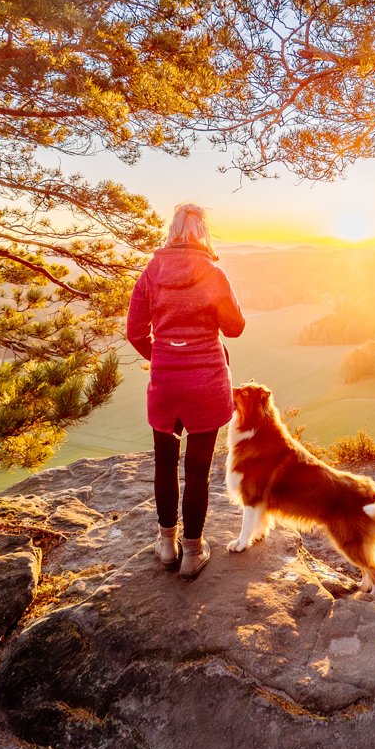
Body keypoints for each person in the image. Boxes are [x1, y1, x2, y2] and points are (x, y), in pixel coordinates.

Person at [126, 203, 246, 579]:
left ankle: (166, 544)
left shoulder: (152, 271)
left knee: (164, 462)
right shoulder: (211, 272)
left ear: (173, 231)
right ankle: (192, 552)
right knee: (197, 470)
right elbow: (235, 327)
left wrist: (159, 355)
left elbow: (134, 331)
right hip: (207, 381)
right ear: (202, 232)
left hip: (166, 382)